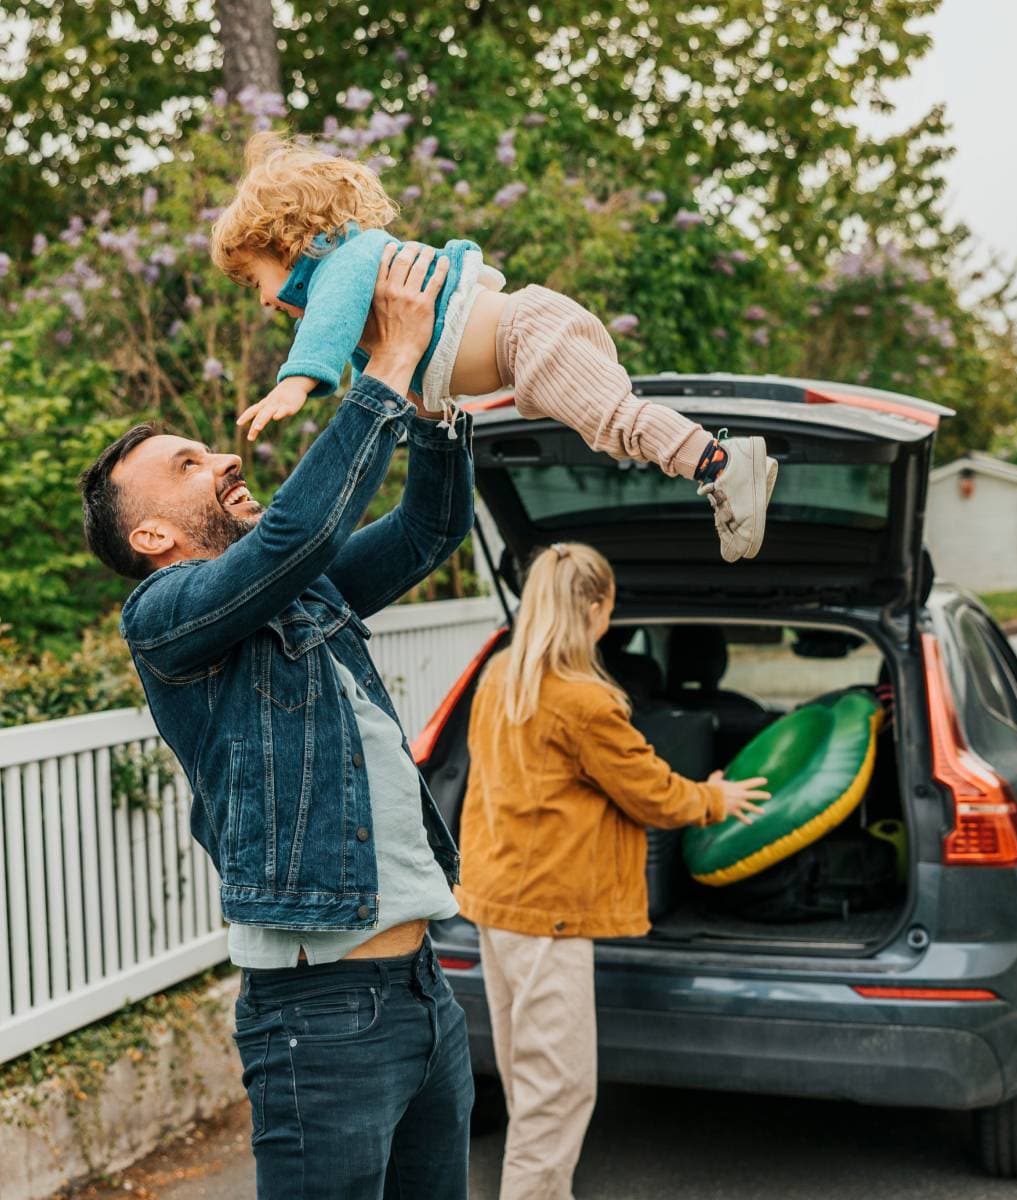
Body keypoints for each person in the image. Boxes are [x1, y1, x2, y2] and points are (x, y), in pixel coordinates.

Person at [78, 243, 476, 1200]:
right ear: (151, 536)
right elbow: (297, 535)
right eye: (187, 463)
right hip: (319, 1012)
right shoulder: (166, 619)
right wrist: (377, 372)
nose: (223, 456)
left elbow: (428, 530)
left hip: (425, 993)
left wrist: (431, 396)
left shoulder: (302, 599)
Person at [210, 132, 777, 562]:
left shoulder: (347, 262)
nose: (261, 302)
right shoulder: (360, 304)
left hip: (527, 336)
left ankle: (722, 463)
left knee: (618, 424)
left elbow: (325, 324)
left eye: (254, 280)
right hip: (529, 338)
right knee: (614, 431)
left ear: (286, 246)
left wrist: (296, 380)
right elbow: (392, 386)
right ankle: (726, 466)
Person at [455, 541, 770, 1200]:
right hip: (550, 912)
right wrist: (717, 797)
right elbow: (652, 792)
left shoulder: (501, 676)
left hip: (496, 901)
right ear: (595, 609)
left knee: (527, 1076)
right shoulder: (586, 702)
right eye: (609, 608)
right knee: (559, 1086)